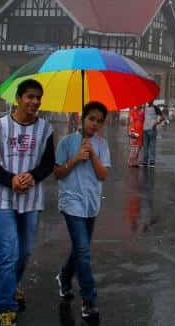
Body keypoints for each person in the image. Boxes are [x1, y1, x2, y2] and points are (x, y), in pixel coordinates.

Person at [0, 79, 55, 326]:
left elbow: (48, 164)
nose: (35, 102)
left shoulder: (46, 129)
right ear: (18, 99)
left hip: (32, 199)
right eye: (30, 97)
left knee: (24, 253)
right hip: (3, 198)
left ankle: (12, 285)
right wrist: (11, 180)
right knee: (8, 253)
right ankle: (6, 307)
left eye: (38, 98)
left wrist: (32, 177)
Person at [53, 101, 111, 321]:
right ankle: (89, 300)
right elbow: (57, 173)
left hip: (91, 204)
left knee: (80, 248)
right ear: (82, 117)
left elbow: (103, 175)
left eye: (99, 121)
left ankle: (64, 277)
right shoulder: (66, 142)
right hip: (71, 202)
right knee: (84, 252)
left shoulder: (102, 145)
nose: (95, 124)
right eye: (92, 119)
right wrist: (76, 158)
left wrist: (93, 155)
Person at [140, 102, 164, 167]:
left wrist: (156, 123)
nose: (149, 100)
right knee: (145, 146)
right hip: (145, 129)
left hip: (152, 129)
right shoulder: (145, 107)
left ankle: (152, 162)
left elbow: (163, 117)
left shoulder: (155, 108)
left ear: (153, 100)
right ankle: (145, 161)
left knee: (152, 146)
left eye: (151, 99)